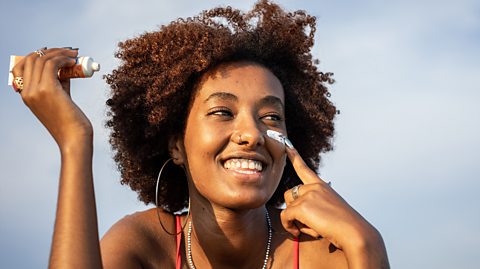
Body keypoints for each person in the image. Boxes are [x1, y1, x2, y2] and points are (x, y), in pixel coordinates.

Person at [11, 1, 389, 268]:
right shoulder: (144, 248)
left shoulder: (328, 254)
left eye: (272, 117)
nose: (252, 134)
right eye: (223, 112)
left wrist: (367, 245)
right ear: (176, 144)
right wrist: (75, 142)